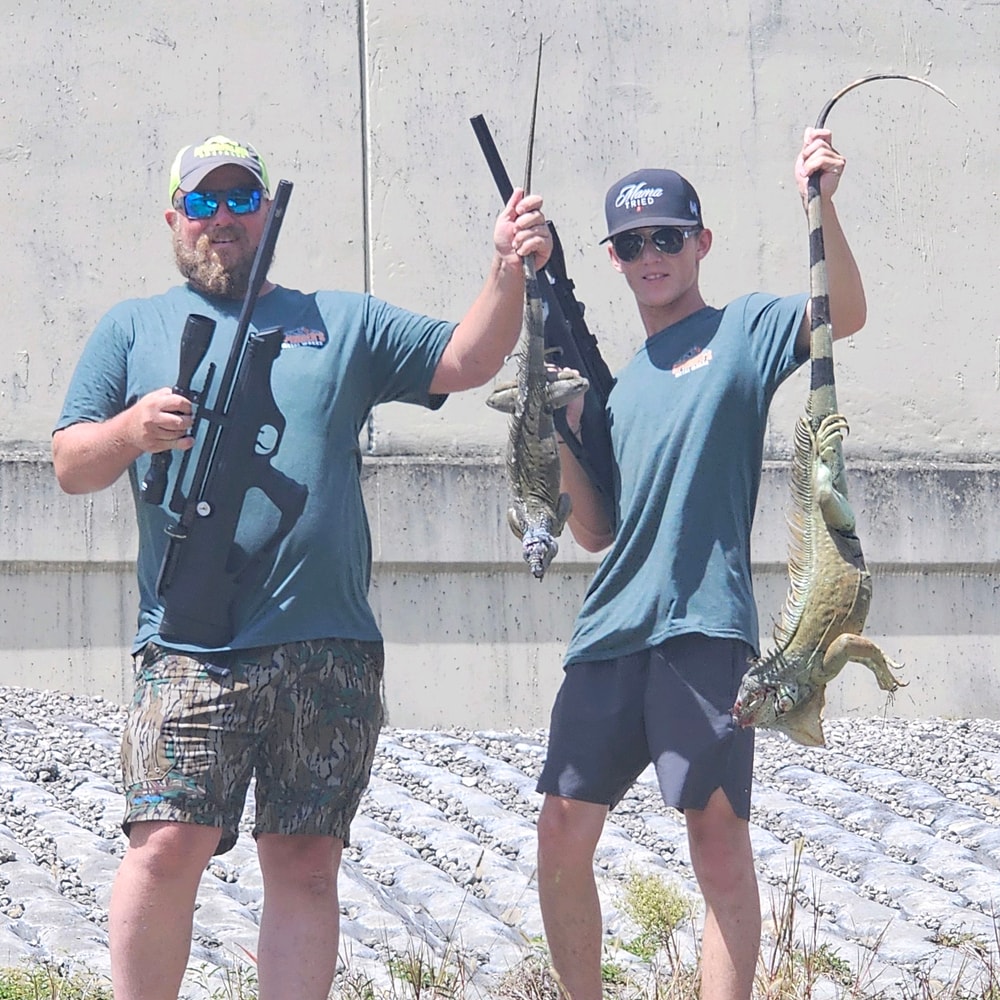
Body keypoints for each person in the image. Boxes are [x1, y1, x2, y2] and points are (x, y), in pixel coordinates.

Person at [51, 134, 553, 1000]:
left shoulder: (343, 320)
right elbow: (71, 463)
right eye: (202, 203)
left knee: (307, 863)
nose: (222, 219)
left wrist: (506, 267)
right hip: (190, 643)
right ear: (174, 217)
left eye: (240, 200)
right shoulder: (132, 326)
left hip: (328, 644)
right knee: (167, 845)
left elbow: (467, 360)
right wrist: (132, 430)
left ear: (265, 213)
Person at [535, 127, 865, 1000]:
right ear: (615, 259)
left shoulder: (747, 327)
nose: (651, 256)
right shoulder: (621, 382)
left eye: (667, 237)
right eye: (632, 244)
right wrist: (558, 419)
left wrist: (820, 202)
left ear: (700, 243)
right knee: (560, 834)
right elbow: (595, 532)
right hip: (609, 627)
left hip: (704, 625)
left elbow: (847, 314)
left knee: (717, 842)